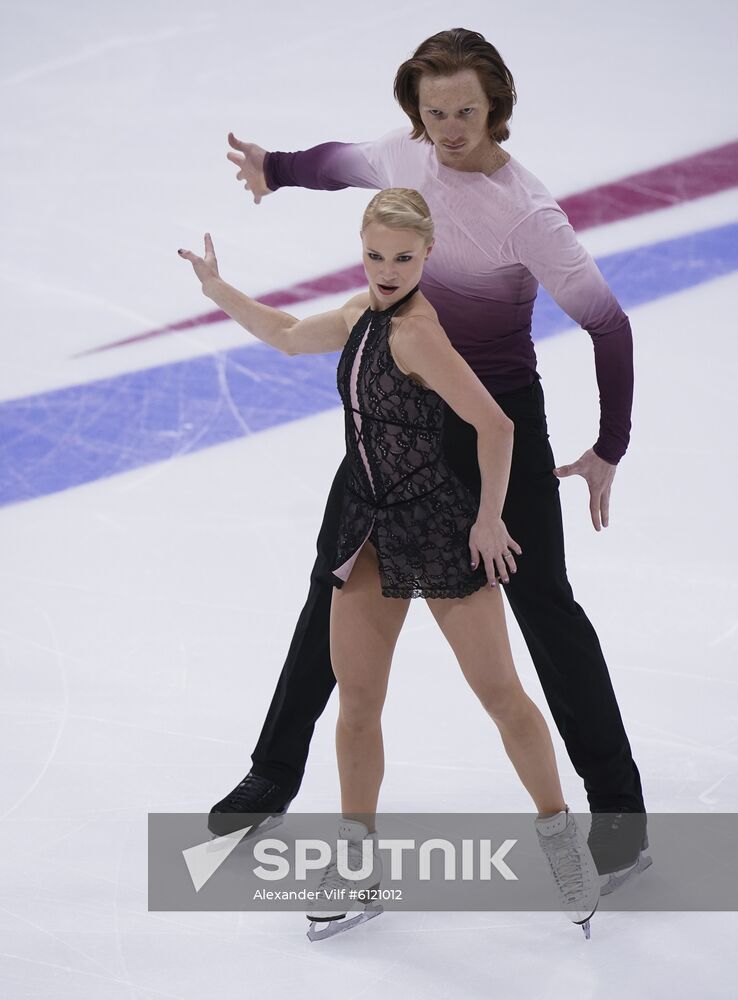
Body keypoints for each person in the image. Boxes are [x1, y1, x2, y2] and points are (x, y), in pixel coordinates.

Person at [215, 27, 651, 895]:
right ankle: (274, 771)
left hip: (495, 423)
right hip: (398, 414)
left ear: (497, 107)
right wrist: (276, 167)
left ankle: (620, 815)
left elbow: (608, 323)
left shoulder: (528, 212)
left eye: (465, 110)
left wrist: (610, 445)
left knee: (545, 609)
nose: (448, 127)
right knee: (333, 586)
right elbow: (339, 163)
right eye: (433, 109)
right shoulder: (404, 154)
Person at [179, 187, 600, 939]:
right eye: (375, 254)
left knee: (501, 694)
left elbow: (496, 427)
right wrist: (218, 290)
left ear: (426, 257)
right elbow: (282, 333)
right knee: (358, 705)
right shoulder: (359, 315)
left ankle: (562, 841)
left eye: (403, 258)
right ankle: (357, 865)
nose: (386, 269)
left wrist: (489, 518)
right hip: (366, 531)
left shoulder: (417, 334)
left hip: (438, 530)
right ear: (362, 248)